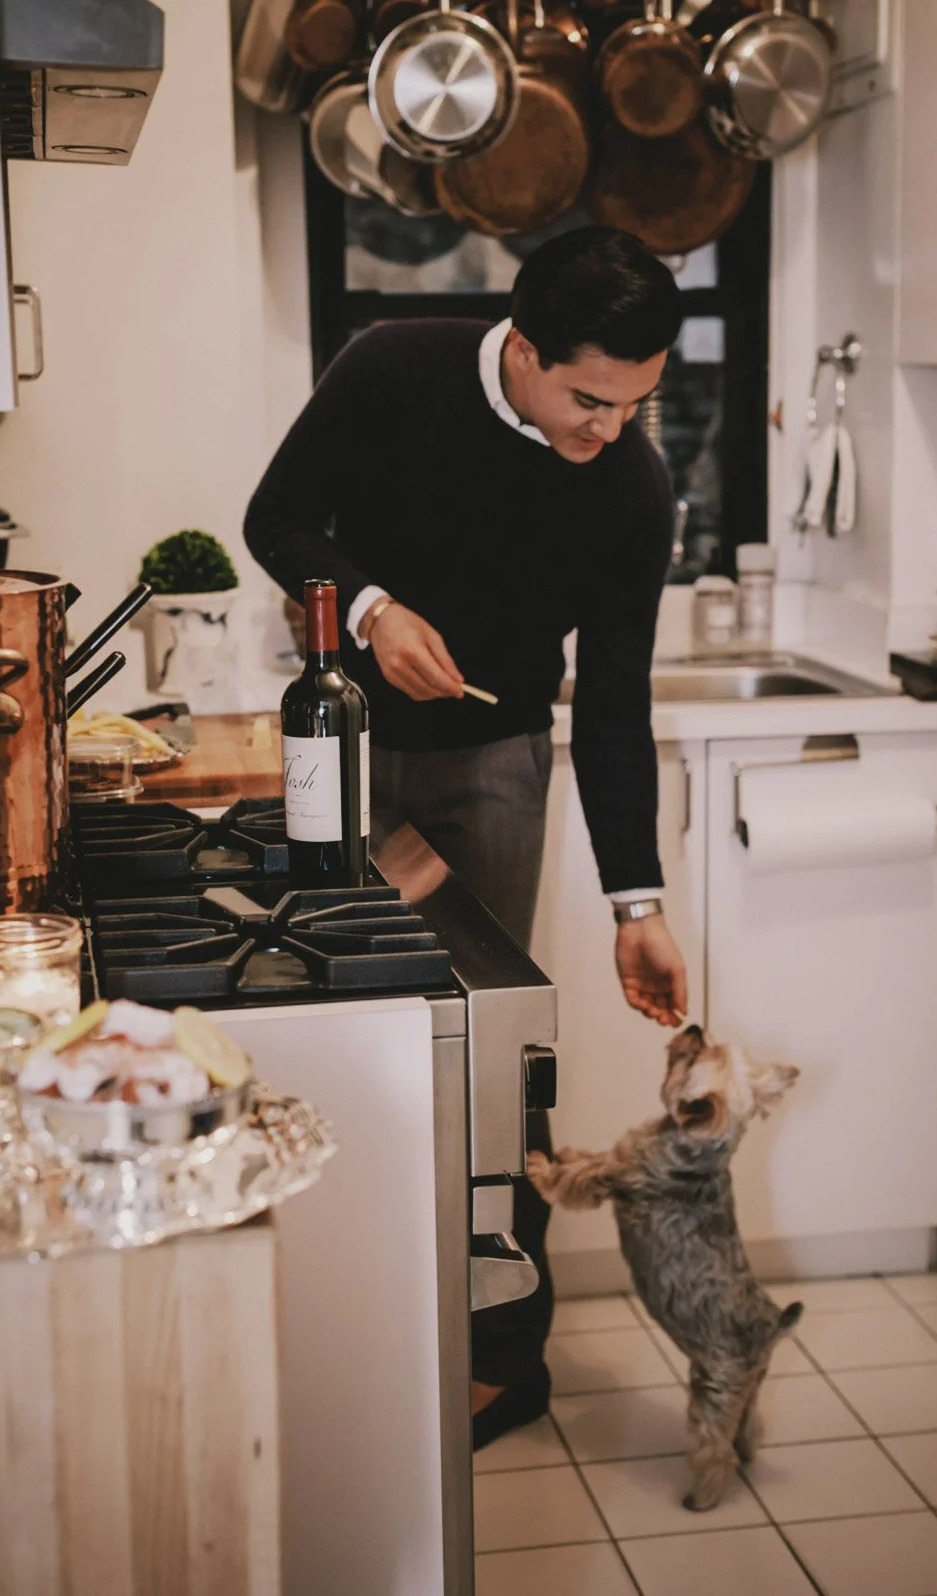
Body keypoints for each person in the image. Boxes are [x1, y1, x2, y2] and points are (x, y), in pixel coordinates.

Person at [244, 225, 689, 1449]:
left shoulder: (630, 486)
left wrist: (635, 904)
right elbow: (274, 517)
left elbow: (609, 707)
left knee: (489, 1058)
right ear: (526, 347)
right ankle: (355, 1326)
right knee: (344, 1032)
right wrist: (373, 610)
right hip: (337, 744)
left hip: (493, 770)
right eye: (589, 399)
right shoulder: (393, 365)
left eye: (636, 404)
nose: (608, 429)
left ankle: (504, 1357)